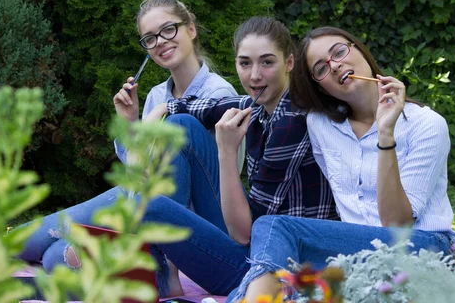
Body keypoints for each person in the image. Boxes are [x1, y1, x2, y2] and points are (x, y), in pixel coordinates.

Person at [16, 0, 239, 289]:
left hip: (200, 222)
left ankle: (164, 271)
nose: (160, 42)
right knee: (56, 257)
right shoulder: (158, 94)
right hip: (145, 208)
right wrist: (131, 122)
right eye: (149, 38)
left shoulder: (219, 93)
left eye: (168, 30)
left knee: (176, 128)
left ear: (191, 29)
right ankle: (0, 242)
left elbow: (207, 180)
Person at [229, 26, 455, 302]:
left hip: (423, 249)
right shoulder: (320, 126)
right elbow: (233, 103)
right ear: (320, 85)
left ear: (359, 49)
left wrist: (385, 133)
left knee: (273, 227)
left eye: (339, 51)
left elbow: (397, 224)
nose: (335, 65)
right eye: (321, 69)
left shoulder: (425, 124)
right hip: (357, 256)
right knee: (288, 276)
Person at [141, 17, 337, 297]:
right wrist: (161, 109)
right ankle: (165, 274)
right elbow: (203, 107)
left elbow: (245, 234)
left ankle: (160, 274)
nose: (254, 75)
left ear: (289, 63)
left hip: (275, 267)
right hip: (257, 244)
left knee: (152, 208)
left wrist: (226, 150)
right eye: (245, 63)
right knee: (182, 126)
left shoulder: (293, 120)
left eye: (267, 63)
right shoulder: (259, 106)